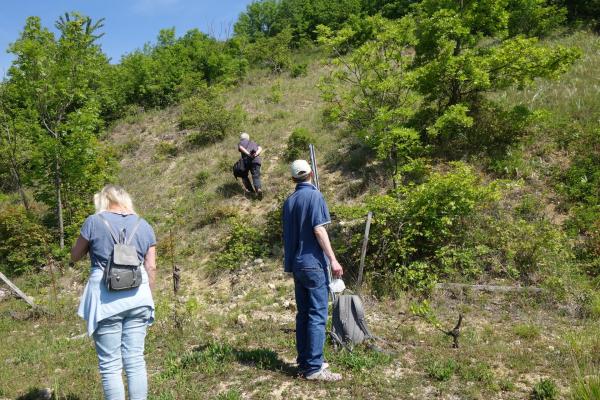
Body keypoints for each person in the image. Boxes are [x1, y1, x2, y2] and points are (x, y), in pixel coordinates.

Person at [71, 185, 156, 400]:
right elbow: (151, 267)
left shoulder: (94, 221)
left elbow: (74, 255)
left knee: (110, 365)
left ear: (103, 200)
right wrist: (149, 293)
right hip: (139, 297)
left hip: (106, 298)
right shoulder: (144, 225)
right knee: (135, 359)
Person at [282, 160, 344, 381]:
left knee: (303, 315)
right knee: (318, 315)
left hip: (297, 265)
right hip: (313, 264)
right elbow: (319, 230)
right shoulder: (315, 196)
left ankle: (305, 362)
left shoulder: (289, 201)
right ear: (311, 174)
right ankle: (314, 368)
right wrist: (333, 259)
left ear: (293, 179)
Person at [238, 132, 263, 196]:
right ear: (248, 137)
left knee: (244, 176)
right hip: (256, 160)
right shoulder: (253, 142)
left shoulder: (241, 142)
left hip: (246, 161)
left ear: (241, 138)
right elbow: (260, 148)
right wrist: (256, 154)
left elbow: (241, 148)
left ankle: (251, 191)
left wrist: (248, 154)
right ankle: (258, 189)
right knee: (256, 176)